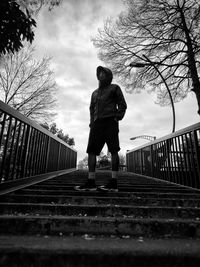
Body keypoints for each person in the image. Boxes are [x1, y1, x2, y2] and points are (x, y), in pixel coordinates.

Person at [75, 66, 127, 192]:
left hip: (110, 122)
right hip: (97, 124)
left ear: (108, 75)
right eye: (99, 73)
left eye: (103, 73)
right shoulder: (94, 93)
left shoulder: (114, 88)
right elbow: (91, 109)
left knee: (114, 150)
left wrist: (117, 117)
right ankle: (91, 181)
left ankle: (113, 182)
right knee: (91, 151)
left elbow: (122, 104)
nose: (101, 75)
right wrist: (92, 122)